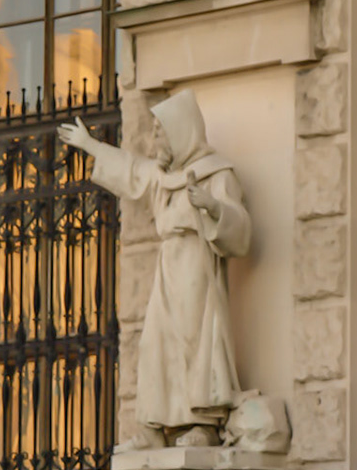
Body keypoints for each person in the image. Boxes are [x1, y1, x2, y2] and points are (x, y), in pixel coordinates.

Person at [58, 91, 252, 448]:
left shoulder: (216, 173)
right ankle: (155, 427)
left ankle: (201, 424)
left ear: (181, 131)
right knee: (155, 344)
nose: (155, 139)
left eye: (160, 131)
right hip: (168, 269)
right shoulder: (164, 176)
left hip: (196, 267)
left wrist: (210, 205)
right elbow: (131, 168)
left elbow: (241, 231)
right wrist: (89, 145)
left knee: (193, 343)